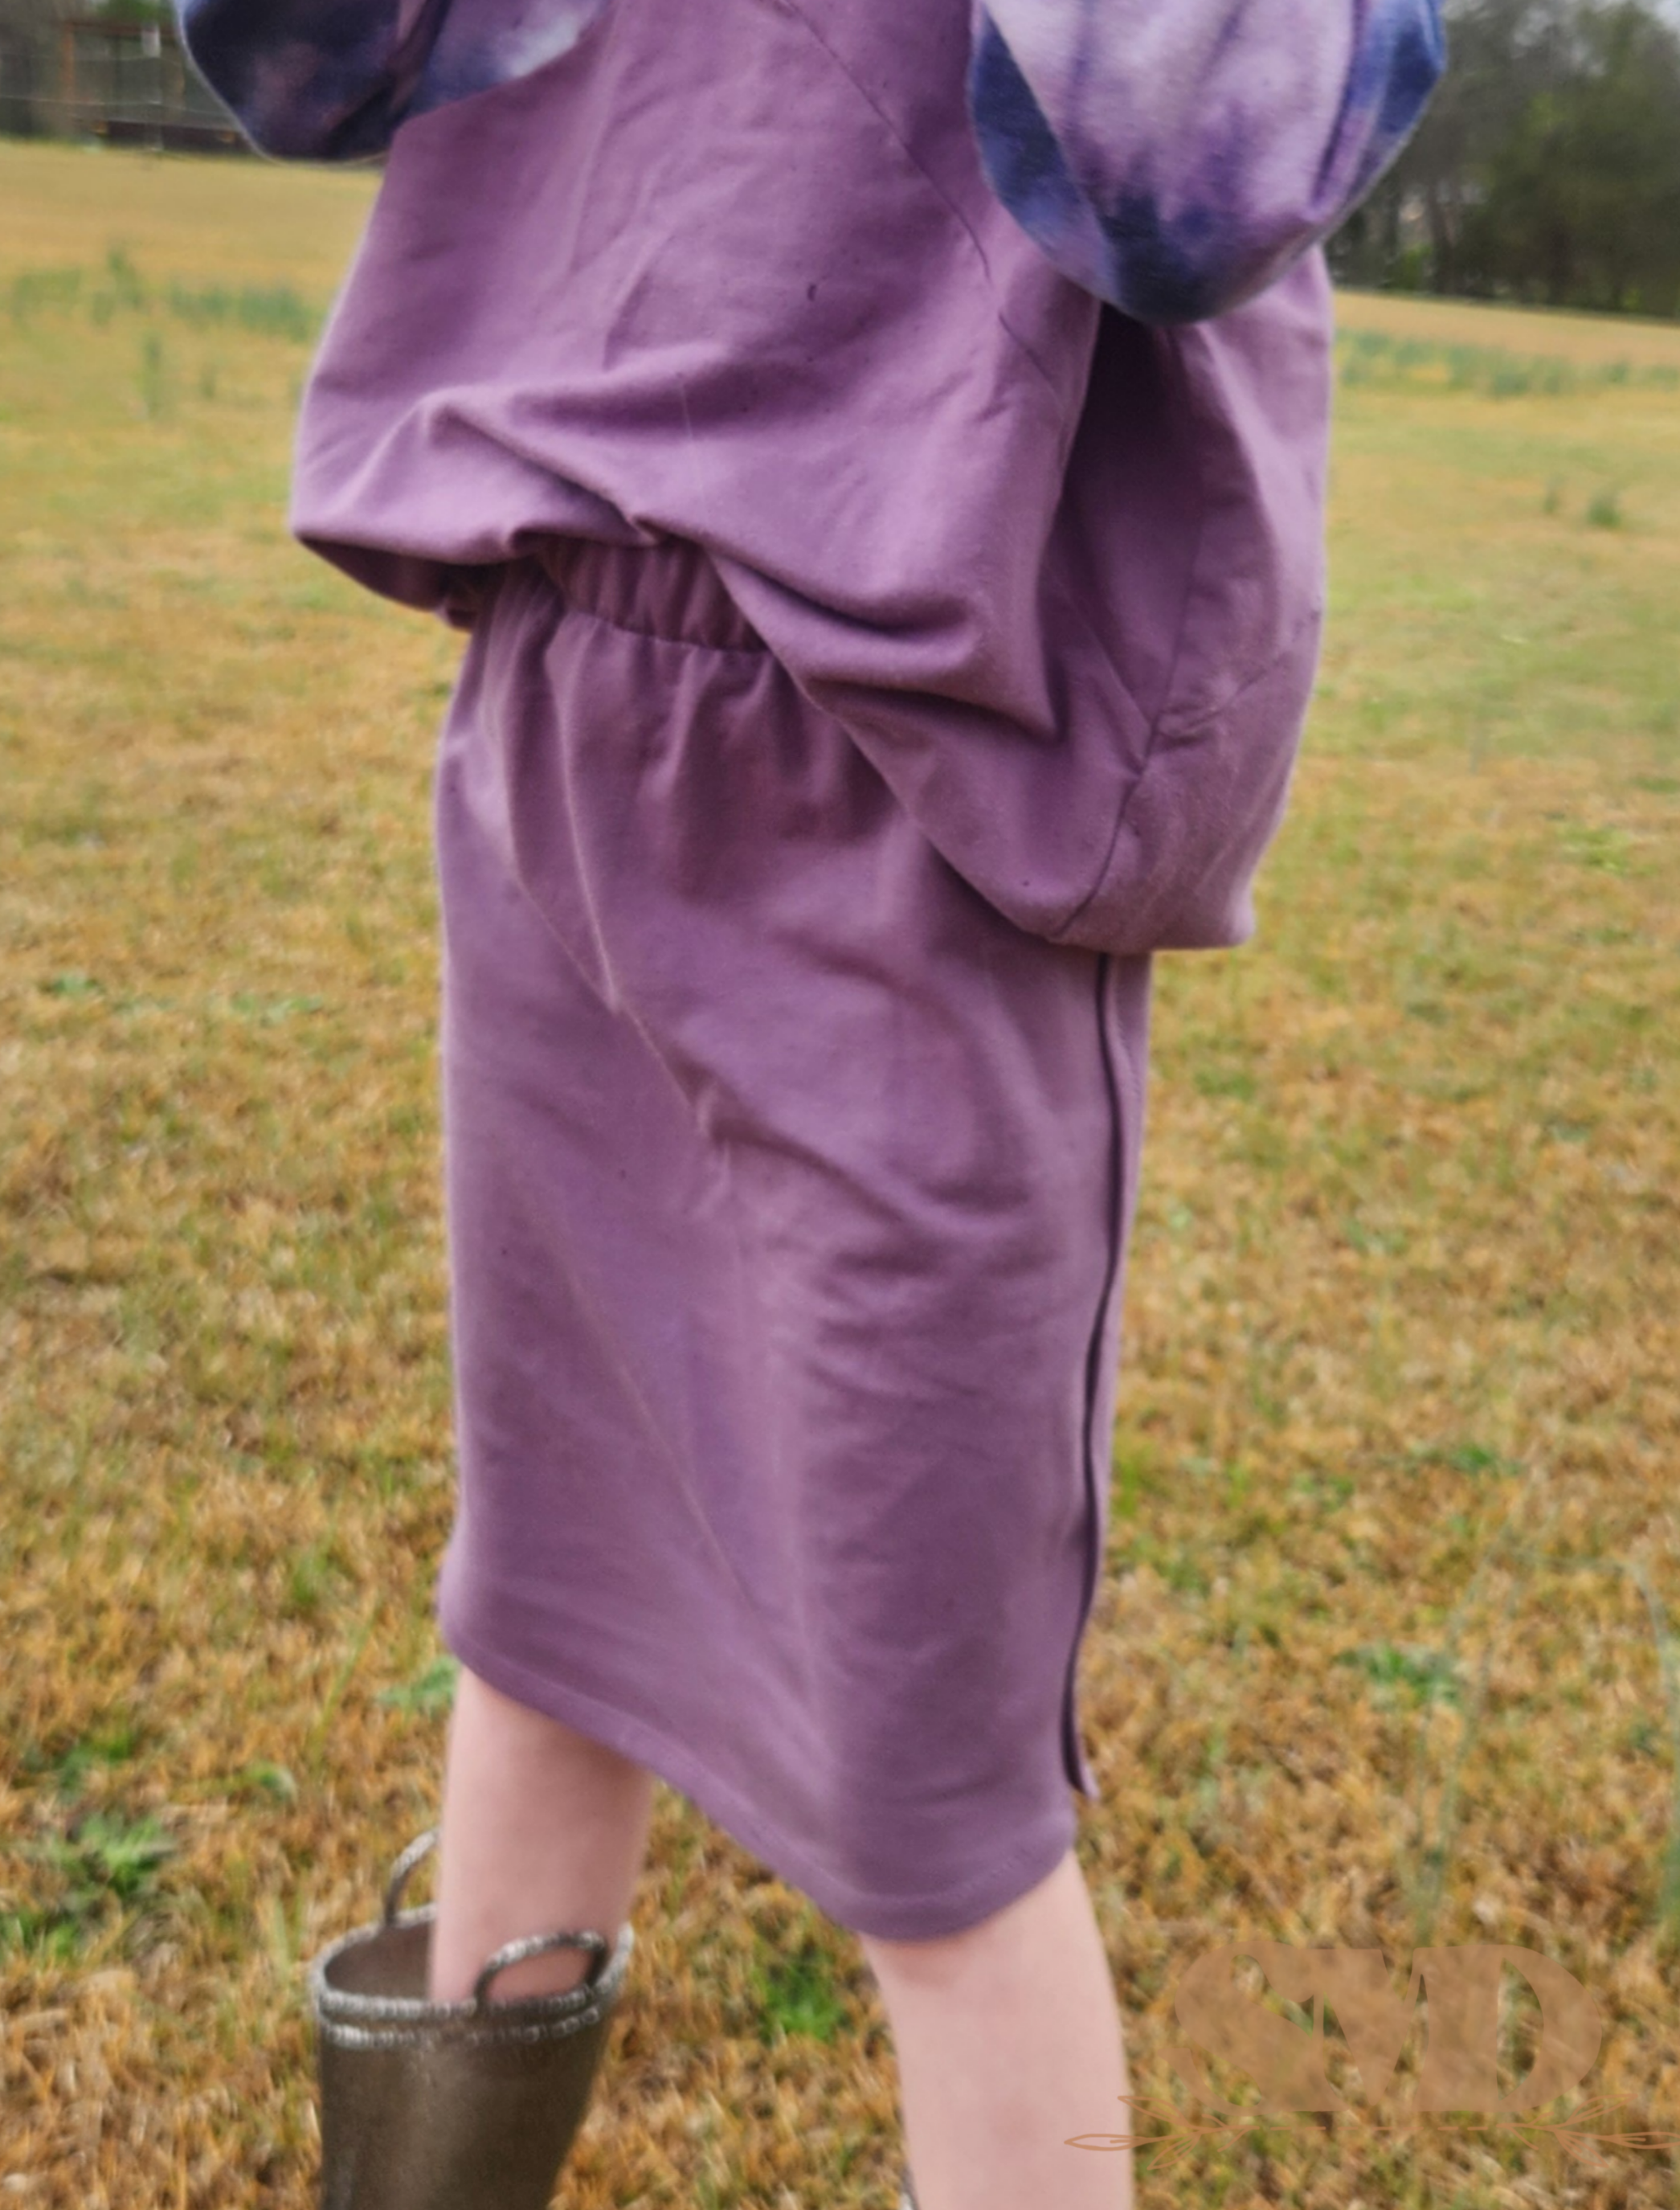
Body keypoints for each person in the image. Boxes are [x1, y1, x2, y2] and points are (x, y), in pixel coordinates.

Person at [174, 3, 1445, 2206]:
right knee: (542, 1620)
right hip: (563, 673)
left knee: (938, 1820)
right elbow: (308, 53)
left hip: (923, 783)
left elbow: (1200, 177)